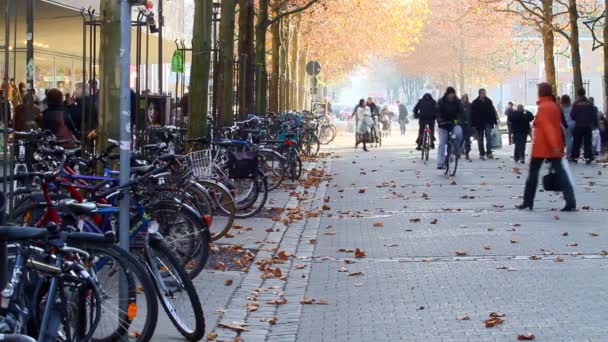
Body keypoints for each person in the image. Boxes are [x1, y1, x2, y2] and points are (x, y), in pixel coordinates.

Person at [516, 83, 576, 212]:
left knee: (533, 175)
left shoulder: (544, 107)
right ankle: (570, 201)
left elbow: (548, 128)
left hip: (542, 147)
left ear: (541, 92)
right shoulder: (554, 106)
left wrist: (553, 145)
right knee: (561, 174)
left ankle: (528, 201)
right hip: (552, 147)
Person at [436, 87, 464, 170]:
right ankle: (440, 162)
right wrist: (440, 121)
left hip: (454, 124)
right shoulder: (441, 101)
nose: (451, 95)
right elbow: (437, 112)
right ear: (447, 94)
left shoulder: (458, 102)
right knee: (442, 143)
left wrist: (457, 121)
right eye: (450, 93)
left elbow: (461, 113)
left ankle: (456, 149)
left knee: (458, 133)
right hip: (443, 125)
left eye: (453, 93)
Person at [569, 88, 597, 164]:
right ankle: (588, 157)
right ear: (585, 93)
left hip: (578, 125)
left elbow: (572, 115)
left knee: (576, 142)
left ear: (578, 94)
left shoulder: (575, 104)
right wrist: (593, 123)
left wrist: (577, 119)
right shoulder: (589, 103)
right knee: (587, 142)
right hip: (587, 126)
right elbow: (593, 114)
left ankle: (575, 156)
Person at [471, 88, 498, 160]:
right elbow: (473, 114)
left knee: (488, 138)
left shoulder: (488, 101)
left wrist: (494, 122)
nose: (483, 94)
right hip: (479, 123)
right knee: (480, 139)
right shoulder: (475, 102)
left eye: (484, 93)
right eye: (482, 93)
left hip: (488, 122)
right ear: (479, 94)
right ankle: (481, 153)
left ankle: (489, 152)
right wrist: (473, 124)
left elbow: (492, 112)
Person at [460, 94, 473, 161]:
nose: (465, 99)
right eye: (464, 98)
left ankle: (467, 153)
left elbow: (472, 114)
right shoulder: (459, 106)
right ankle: (457, 152)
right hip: (461, 125)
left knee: (467, 140)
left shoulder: (470, 105)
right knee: (461, 139)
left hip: (468, 125)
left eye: (466, 98)